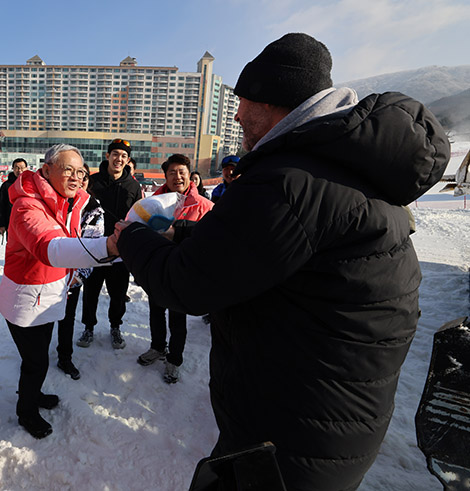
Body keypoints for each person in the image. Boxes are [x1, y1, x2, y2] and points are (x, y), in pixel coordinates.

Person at [110, 33, 450, 490]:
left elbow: (187, 285)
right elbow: (268, 248)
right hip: (327, 418)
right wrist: (185, 233)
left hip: (291, 437)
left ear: (273, 101)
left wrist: (132, 238)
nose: (236, 114)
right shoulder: (334, 169)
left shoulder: (289, 182)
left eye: (243, 100)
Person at [0, 144, 115, 439]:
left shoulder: (70, 202)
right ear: (46, 170)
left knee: (39, 358)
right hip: (26, 297)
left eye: (80, 171)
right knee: (35, 361)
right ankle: (26, 411)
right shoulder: (27, 205)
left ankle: (33, 395)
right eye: (68, 170)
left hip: (50, 293)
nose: (76, 177)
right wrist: (110, 248)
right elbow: (49, 247)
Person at [136, 154, 213, 384]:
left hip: (182, 270)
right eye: (172, 172)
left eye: (182, 172)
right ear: (165, 176)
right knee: (156, 311)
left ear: (190, 176)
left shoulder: (204, 206)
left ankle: (174, 359)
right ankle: (158, 347)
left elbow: (210, 240)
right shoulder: (153, 203)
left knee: (177, 318)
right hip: (156, 267)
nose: (177, 176)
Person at [78, 138, 142, 349]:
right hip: (94, 249)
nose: (119, 158)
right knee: (90, 292)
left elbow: (138, 215)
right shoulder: (93, 181)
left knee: (117, 294)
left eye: (123, 156)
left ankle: (116, 327)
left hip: (120, 251)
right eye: (115, 154)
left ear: (127, 160)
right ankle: (88, 327)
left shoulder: (133, 185)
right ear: (107, 156)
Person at [56, 163, 104, 381]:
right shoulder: (54, 201)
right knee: (43, 317)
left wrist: (79, 276)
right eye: (73, 174)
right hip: (49, 270)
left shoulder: (93, 208)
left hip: (72, 275)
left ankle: (65, 357)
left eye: (83, 176)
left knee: (67, 316)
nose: (79, 180)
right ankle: (35, 357)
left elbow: (92, 246)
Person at [0, 158, 27, 236]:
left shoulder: (31, 183)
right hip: (11, 223)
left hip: (28, 222)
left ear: (26, 168)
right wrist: (1, 224)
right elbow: (0, 205)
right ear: (13, 169)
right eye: (17, 168)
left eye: (22, 168)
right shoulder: (6, 186)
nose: (20, 170)